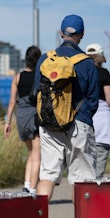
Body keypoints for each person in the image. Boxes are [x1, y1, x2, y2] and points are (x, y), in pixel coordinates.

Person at [33, 14, 99, 200]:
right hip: (79, 124)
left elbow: (34, 94)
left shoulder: (45, 59)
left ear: (61, 33)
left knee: (47, 175)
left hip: (50, 123)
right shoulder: (87, 63)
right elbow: (93, 100)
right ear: (82, 34)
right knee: (83, 180)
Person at [5, 45, 42, 194]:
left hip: (21, 116)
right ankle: (32, 189)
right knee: (37, 155)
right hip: (34, 116)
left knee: (31, 153)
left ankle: (27, 185)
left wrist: (8, 122)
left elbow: (12, 101)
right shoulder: (40, 77)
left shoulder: (17, 77)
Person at [85, 43, 110, 179]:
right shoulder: (103, 73)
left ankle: (82, 196)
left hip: (85, 118)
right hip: (102, 121)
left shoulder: (82, 71)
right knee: (98, 168)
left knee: (84, 166)